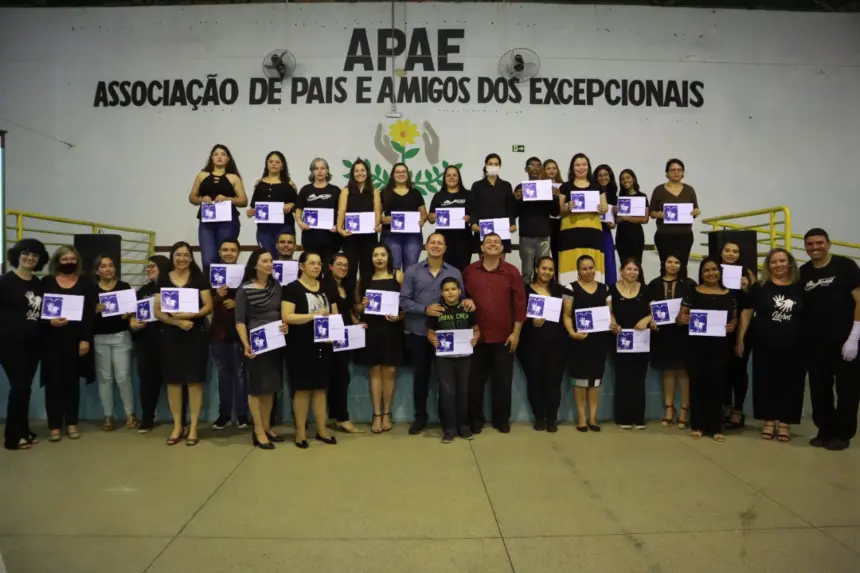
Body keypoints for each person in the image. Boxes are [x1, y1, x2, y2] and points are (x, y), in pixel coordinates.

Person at [400, 233, 470, 434]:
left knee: (446, 382)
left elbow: (461, 298)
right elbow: (404, 300)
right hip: (419, 333)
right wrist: (425, 310)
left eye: (440, 243)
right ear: (426, 246)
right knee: (420, 379)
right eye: (433, 242)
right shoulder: (413, 271)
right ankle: (420, 418)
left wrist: (468, 301)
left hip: (448, 336)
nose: (436, 246)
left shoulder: (455, 272)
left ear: (445, 248)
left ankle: (446, 420)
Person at [800, 228, 860, 451]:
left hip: (845, 342)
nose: (815, 248)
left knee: (847, 390)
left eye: (819, 243)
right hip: (815, 343)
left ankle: (843, 434)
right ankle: (824, 429)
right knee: (819, 389)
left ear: (828, 244)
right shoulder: (804, 271)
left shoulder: (845, 266)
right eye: (810, 244)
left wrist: (854, 336)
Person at [737, 248, 805, 442]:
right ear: (768, 266)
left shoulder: (800, 287)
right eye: (774, 262)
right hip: (765, 343)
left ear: (789, 263)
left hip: (795, 344)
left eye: (782, 261)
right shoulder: (760, 288)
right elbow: (747, 313)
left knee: (791, 383)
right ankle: (768, 420)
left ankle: (785, 422)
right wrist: (740, 338)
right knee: (765, 381)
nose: (778, 265)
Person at [463, 233, 526, 433]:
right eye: (488, 241)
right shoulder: (469, 271)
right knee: (474, 384)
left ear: (502, 248)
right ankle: (476, 420)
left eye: (497, 242)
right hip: (475, 338)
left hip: (504, 337)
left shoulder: (512, 272)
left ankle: (501, 420)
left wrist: (516, 333)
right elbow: (460, 297)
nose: (492, 244)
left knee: (502, 383)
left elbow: (519, 305)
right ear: (481, 247)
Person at [153, 241, 214, 447]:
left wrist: (192, 315)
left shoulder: (199, 278)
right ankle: (178, 425)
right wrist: (177, 322)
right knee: (173, 381)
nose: (182, 259)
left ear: (191, 257)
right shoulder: (163, 278)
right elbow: (157, 311)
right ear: (172, 256)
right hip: (170, 334)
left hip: (195, 333)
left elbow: (208, 306)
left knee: (194, 381)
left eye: (186, 255)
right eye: (178, 255)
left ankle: (194, 426)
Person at [281, 251, 339, 449]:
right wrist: (313, 316)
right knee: (303, 389)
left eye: (319, 264)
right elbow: (287, 316)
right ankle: (300, 433)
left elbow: (334, 314)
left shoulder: (327, 288)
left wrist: (335, 333)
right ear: (301, 266)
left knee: (321, 389)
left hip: (323, 344)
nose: (316, 267)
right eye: (312, 263)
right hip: (300, 344)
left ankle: (322, 430)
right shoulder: (292, 289)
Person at [677, 258, 737, 442]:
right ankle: (698, 425)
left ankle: (716, 427)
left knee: (717, 385)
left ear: (720, 272)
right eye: (706, 270)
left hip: (719, 347)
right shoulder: (692, 292)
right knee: (698, 384)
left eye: (714, 269)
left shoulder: (729, 295)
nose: (711, 273)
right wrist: (683, 319)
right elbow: (680, 317)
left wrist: (732, 326)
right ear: (701, 274)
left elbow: (734, 319)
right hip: (696, 347)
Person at [41, 245, 95, 442]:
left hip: (75, 340)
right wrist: (50, 321)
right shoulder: (46, 282)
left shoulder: (85, 282)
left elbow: (90, 314)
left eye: (72, 259)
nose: (69, 262)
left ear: (77, 261)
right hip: (51, 341)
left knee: (72, 384)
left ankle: (71, 423)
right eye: (65, 259)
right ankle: (54, 426)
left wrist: (85, 339)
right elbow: (38, 311)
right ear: (57, 261)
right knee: (52, 384)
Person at [235, 248, 286, 450]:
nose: (269, 264)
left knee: (271, 386)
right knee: (257, 387)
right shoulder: (244, 289)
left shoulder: (277, 286)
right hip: (256, 343)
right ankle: (257, 431)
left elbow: (283, 312)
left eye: (271, 260)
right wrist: (246, 343)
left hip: (276, 341)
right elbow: (239, 320)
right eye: (265, 260)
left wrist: (285, 325)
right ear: (255, 264)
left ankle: (267, 427)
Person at [1, 238, 48, 450]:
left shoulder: (39, 284)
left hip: (34, 343)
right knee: (19, 387)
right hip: (9, 344)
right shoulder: (5, 282)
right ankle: (12, 438)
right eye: (26, 253)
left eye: (35, 255)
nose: (30, 258)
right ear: (17, 255)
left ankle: (24, 430)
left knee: (25, 389)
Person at [355, 243, 405, 434]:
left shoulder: (398, 275)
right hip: (372, 328)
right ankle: (376, 414)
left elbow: (407, 302)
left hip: (392, 328)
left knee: (390, 370)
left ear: (389, 257)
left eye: (383, 254)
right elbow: (357, 307)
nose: (379, 258)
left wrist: (400, 316)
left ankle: (387, 413)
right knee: (375, 370)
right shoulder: (365, 279)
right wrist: (362, 304)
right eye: (375, 255)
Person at [427, 277, 480, 443]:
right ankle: (449, 428)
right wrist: (433, 340)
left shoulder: (467, 308)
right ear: (442, 292)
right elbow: (430, 332)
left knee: (464, 391)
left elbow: (476, 329)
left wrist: (475, 338)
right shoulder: (438, 310)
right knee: (447, 392)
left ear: (459, 291)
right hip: (444, 359)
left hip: (465, 357)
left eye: (453, 289)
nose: (450, 292)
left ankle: (463, 426)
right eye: (446, 290)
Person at [647, 254, 696, 429]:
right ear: (664, 264)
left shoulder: (690, 284)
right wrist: (650, 320)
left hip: (684, 334)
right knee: (667, 370)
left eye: (677, 262)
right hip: (662, 334)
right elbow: (648, 308)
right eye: (670, 262)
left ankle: (684, 409)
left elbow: (697, 307)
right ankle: (669, 408)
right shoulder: (653, 284)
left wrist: (688, 318)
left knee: (684, 371)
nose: (673, 265)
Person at [518, 256, 566, 432]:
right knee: (535, 381)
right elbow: (517, 314)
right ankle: (539, 417)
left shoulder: (561, 291)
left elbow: (567, 316)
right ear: (536, 269)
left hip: (556, 345)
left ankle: (552, 418)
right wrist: (531, 321)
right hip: (531, 345)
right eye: (544, 268)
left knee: (553, 381)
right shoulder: (524, 291)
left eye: (550, 269)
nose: (547, 272)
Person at [562, 255, 609, 431]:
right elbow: (566, 315)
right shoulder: (570, 288)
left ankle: (593, 418)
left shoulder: (605, 288)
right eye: (584, 268)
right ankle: (581, 418)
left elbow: (609, 313)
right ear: (578, 270)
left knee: (596, 380)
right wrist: (573, 333)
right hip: (579, 342)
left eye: (591, 268)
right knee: (580, 380)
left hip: (599, 341)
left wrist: (612, 322)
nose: (588, 271)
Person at [92, 254, 137, 430]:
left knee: (123, 377)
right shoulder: (92, 290)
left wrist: (129, 314)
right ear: (97, 271)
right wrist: (94, 310)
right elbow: (85, 316)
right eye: (103, 266)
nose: (108, 269)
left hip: (121, 336)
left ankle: (130, 414)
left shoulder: (124, 287)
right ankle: (108, 416)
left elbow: (133, 311)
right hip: (100, 338)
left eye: (111, 265)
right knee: (105, 379)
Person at [210, 238, 250, 431]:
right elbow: (204, 304)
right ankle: (224, 414)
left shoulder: (245, 275)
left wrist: (237, 304)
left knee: (241, 375)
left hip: (239, 333)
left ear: (238, 253)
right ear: (219, 252)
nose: (228, 253)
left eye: (232, 250)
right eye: (224, 249)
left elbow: (252, 302)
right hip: (218, 334)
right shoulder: (210, 276)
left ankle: (242, 415)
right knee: (223, 375)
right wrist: (217, 295)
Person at [188, 144, 248, 273]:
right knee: (208, 259)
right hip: (207, 221)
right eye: (216, 154)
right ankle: (209, 291)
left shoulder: (234, 177)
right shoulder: (202, 175)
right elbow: (192, 197)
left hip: (228, 221)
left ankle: (227, 291)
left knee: (226, 257)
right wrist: (201, 199)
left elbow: (243, 200)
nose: (219, 157)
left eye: (223, 154)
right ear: (211, 158)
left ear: (228, 159)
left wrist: (228, 199)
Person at [130, 254, 173, 433]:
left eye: (152, 266)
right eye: (147, 267)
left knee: (174, 381)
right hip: (146, 341)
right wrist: (133, 323)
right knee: (147, 382)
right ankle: (147, 416)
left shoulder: (173, 288)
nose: (149, 270)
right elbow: (133, 314)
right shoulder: (142, 290)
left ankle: (180, 419)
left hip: (170, 341)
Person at [609, 258, 652, 429]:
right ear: (621, 271)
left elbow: (656, 312)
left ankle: (638, 418)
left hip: (642, 341)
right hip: (620, 340)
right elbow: (608, 311)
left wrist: (646, 319)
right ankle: (623, 418)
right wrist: (612, 322)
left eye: (635, 269)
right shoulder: (612, 289)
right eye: (629, 269)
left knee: (639, 379)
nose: (632, 272)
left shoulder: (646, 290)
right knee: (622, 378)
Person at [719, 240, 757, 429]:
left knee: (739, 370)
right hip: (720, 328)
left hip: (742, 329)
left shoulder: (747, 276)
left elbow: (749, 306)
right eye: (727, 250)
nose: (731, 254)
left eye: (735, 251)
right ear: (721, 252)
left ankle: (738, 410)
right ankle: (725, 406)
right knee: (723, 368)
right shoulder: (713, 272)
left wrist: (746, 288)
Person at [557, 153, 609, 284]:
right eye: (577, 165)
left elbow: (605, 207)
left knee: (592, 264)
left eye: (584, 164)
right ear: (572, 167)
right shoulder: (565, 186)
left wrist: (603, 209)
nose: (581, 168)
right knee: (570, 266)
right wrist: (567, 207)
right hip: (571, 233)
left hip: (593, 233)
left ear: (588, 166)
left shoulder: (597, 186)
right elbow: (560, 210)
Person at [327, 252, 363, 434]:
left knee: (341, 377)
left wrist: (358, 323)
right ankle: (342, 418)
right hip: (332, 339)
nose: (342, 268)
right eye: (339, 264)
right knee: (338, 378)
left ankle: (335, 416)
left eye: (345, 265)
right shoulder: (326, 286)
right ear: (330, 266)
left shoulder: (346, 287)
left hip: (346, 337)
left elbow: (348, 312)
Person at [338, 158, 382, 291]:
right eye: (356, 171)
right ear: (352, 174)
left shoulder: (374, 191)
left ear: (367, 173)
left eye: (362, 170)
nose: (360, 173)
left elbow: (377, 213)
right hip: (350, 237)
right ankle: (349, 307)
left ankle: (364, 306)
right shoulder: (346, 191)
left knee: (367, 272)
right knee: (349, 272)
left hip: (369, 238)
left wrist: (377, 226)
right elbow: (341, 211)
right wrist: (340, 228)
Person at [514, 157, 559, 283]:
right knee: (527, 273)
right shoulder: (520, 187)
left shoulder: (547, 187)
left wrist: (555, 198)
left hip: (544, 235)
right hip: (526, 236)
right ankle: (526, 300)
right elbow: (515, 212)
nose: (535, 168)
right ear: (526, 169)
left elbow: (554, 212)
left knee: (544, 271)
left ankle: (543, 298)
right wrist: (518, 199)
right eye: (531, 165)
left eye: (538, 165)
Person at [649, 158, 700, 267]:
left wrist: (696, 212)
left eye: (679, 170)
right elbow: (651, 212)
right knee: (665, 266)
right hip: (664, 235)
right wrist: (658, 214)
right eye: (673, 170)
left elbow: (695, 210)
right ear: (667, 173)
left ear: (683, 173)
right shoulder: (659, 190)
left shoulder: (689, 190)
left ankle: (682, 284)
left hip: (685, 236)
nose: (676, 172)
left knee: (682, 266)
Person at [246, 151, 297, 255]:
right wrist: (251, 212)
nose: (274, 164)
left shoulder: (289, 184)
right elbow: (254, 206)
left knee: (283, 256)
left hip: (284, 226)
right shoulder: (259, 184)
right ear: (266, 164)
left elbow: (299, 206)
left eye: (277, 162)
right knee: (267, 255)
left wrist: (291, 205)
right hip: (264, 229)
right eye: (271, 161)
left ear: (282, 165)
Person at [296, 158, 341, 271]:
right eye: (316, 168)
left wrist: (339, 226)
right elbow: (298, 209)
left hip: (331, 239)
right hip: (310, 238)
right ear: (312, 171)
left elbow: (342, 212)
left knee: (328, 271)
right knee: (311, 269)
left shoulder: (335, 190)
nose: (319, 171)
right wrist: (300, 222)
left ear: (327, 171)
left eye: (322, 168)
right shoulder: (305, 190)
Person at [381, 162, 426, 271]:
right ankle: (394, 288)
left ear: (408, 174)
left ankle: (408, 289)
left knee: (411, 268)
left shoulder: (416, 193)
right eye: (397, 172)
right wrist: (383, 220)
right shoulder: (385, 192)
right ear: (393, 175)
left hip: (412, 236)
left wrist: (422, 220)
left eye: (403, 171)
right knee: (393, 267)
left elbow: (423, 214)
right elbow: (377, 214)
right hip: (390, 235)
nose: (400, 174)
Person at [469, 153, 517, 255]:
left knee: (500, 265)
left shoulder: (506, 186)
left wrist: (513, 223)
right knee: (484, 263)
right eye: (490, 164)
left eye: (496, 164)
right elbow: (473, 208)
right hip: (482, 230)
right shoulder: (477, 186)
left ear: (499, 166)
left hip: (502, 230)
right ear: (486, 165)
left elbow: (510, 208)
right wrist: (473, 223)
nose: (493, 166)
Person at [428, 165, 473, 272]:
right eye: (448, 175)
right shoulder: (438, 196)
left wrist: (470, 218)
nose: (451, 177)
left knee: (463, 270)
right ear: (444, 178)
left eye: (454, 175)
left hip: (463, 239)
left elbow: (475, 215)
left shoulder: (468, 195)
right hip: (443, 238)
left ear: (459, 178)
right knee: (443, 269)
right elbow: (430, 218)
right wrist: (431, 217)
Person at [614, 169, 650, 265]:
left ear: (633, 179)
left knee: (636, 265)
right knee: (624, 264)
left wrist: (626, 218)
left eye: (628, 177)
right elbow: (617, 220)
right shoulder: (619, 197)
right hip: (621, 235)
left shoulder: (642, 196)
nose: (625, 180)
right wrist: (615, 212)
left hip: (636, 235)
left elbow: (645, 219)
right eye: (622, 179)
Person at [594, 164, 618, 285]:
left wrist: (613, 224)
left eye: (606, 175)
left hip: (606, 231)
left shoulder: (614, 194)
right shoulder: (591, 191)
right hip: (592, 230)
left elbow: (615, 220)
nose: (603, 178)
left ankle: (610, 292)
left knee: (609, 262)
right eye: (600, 175)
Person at [541, 159, 565, 275]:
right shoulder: (539, 186)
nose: (551, 171)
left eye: (554, 168)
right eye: (548, 168)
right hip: (545, 222)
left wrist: (557, 196)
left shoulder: (563, 186)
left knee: (558, 254)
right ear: (544, 170)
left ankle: (558, 281)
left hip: (560, 223)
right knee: (543, 254)